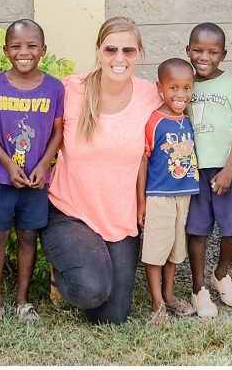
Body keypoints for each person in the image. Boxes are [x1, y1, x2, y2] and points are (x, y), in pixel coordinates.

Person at [39, 17, 161, 324]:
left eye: (128, 51)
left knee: (112, 316)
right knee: (91, 290)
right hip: (70, 213)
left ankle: (93, 265)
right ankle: (61, 273)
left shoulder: (150, 95)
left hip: (120, 219)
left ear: (140, 53)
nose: (119, 58)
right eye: (111, 49)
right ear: (98, 50)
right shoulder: (71, 91)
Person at [0, 19, 64, 324]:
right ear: (5, 50)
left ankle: (22, 301)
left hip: (35, 181)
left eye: (31, 46)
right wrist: (9, 164)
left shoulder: (55, 88)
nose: (23, 52)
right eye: (16, 46)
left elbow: (57, 133)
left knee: (28, 237)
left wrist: (43, 165)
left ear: (43, 50)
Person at [183, 22, 232, 318]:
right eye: (198, 50)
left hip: (228, 168)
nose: (204, 57)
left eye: (212, 52)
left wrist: (227, 170)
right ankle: (199, 287)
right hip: (193, 170)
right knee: (197, 230)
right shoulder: (184, 82)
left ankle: (221, 274)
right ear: (188, 51)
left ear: (223, 54)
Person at [136, 58, 200, 326]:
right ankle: (156, 304)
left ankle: (169, 294)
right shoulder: (154, 121)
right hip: (159, 197)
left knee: (174, 250)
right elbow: (143, 161)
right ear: (159, 87)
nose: (181, 94)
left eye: (187, 88)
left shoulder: (187, 119)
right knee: (155, 251)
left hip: (183, 197)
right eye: (173, 88)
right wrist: (141, 202)